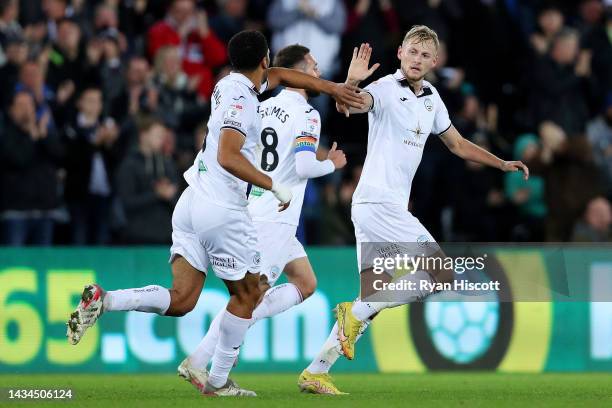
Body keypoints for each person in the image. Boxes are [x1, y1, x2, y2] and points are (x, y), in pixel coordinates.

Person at [65, 30, 365, 397]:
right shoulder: (244, 99)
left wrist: (334, 87)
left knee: (182, 300)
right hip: (223, 210)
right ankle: (217, 380)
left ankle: (105, 299)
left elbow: (285, 76)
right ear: (264, 60)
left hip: (191, 201)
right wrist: (274, 184)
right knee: (249, 294)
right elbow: (228, 154)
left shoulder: (230, 84)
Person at [300, 27, 529, 394]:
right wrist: (350, 83)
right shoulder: (384, 89)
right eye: (412, 52)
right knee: (440, 275)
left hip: (374, 205)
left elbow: (456, 143)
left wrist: (499, 163)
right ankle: (352, 314)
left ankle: (316, 371)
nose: (417, 60)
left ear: (434, 61)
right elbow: (348, 106)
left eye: (425, 55)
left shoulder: (434, 99)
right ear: (401, 54)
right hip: (378, 202)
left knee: (373, 300)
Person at [178, 44, 347, 393]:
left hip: (255, 206)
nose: (316, 74)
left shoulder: (261, 105)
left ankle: (211, 353)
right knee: (249, 299)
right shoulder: (308, 114)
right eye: (313, 68)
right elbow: (302, 166)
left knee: (306, 283)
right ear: (297, 71)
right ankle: (198, 362)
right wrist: (333, 164)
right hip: (277, 218)